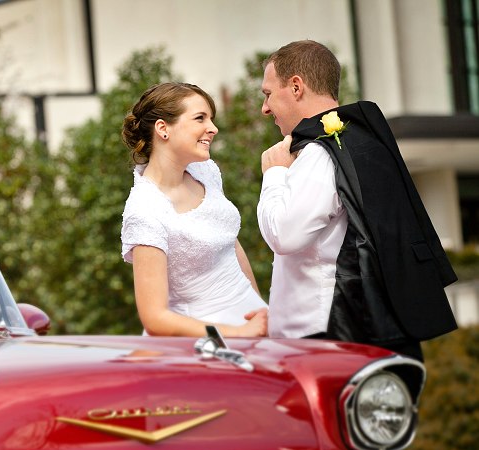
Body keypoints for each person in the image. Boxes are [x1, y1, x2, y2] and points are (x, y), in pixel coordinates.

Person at [258, 40, 457, 360]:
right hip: (375, 327)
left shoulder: (320, 153)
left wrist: (274, 174)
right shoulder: (366, 141)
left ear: (296, 86)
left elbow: (284, 234)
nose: (265, 108)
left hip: (328, 334)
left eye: (268, 94)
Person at [120, 82, 267, 338]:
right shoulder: (144, 211)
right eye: (200, 118)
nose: (213, 128)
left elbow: (230, 244)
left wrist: (258, 308)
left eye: (211, 119)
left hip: (251, 315)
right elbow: (155, 318)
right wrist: (238, 333)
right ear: (163, 129)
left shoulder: (205, 171)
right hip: (207, 335)